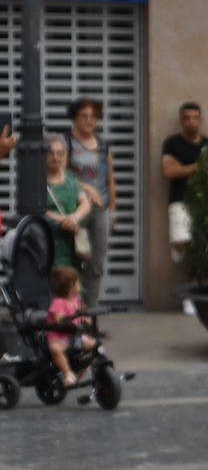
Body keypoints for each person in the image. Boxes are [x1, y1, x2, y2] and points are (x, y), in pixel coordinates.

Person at [65, 98, 116, 309]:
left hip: (100, 209)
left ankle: (91, 314)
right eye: (83, 115)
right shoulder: (66, 141)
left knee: (96, 262)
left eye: (93, 116)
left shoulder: (103, 145)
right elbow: (62, 174)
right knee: (72, 261)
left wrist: (112, 210)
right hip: (75, 207)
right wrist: (86, 188)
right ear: (75, 117)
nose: (89, 120)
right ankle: (71, 312)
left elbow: (110, 179)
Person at [162, 101, 208, 314]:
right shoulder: (172, 143)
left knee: (198, 247)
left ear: (201, 119)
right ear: (181, 120)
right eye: (187, 118)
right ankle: (193, 289)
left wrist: (184, 168)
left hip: (203, 202)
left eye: (195, 117)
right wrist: (198, 167)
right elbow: (170, 172)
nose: (191, 122)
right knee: (181, 245)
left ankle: (193, 296)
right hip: (180, 200)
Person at [44, 134, 91, 271]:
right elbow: (39, 210)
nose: (56, 157)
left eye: (60, 153)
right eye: (51, 153)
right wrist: (65, 221)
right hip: (48, 244)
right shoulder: (38, 181)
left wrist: (74, 218)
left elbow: (85, 203)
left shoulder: (71, 178)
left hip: (71, 244)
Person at [46, 266, 94, 387]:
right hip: (59, 338)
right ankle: (68, 373)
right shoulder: (58, 302)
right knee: (55, 349)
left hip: (74, 336)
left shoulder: (75, 300)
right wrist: (70, 318)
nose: (79, 284)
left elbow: (83, 316)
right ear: (69, 287)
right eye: (77, 282)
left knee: (93, 345)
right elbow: (58, 318)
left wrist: (86, 319)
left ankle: (79, 372)